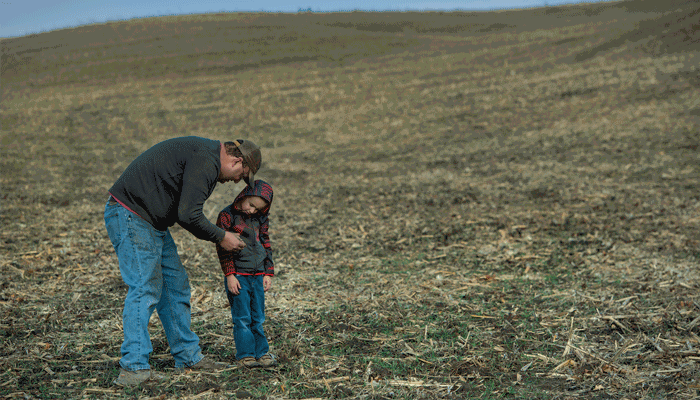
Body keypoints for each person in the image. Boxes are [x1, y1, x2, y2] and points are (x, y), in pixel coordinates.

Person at [104, 136, 262, 386]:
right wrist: (222, 237)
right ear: (236, 160)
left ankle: (188, 357)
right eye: (240, 175)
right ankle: (134, 369)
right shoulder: (206, 160)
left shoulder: (206, 154)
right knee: (145, 288)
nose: (234, 182)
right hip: (131, 215)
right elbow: (188, 215)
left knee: (175, 286)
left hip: (151, 221)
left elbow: (183, 211)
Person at [215, 179, 277, 368]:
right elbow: (222, 248)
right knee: (242, 317)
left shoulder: (260, 219)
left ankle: (262, 353)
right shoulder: (227, 216)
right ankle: (246, 354)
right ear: (244, 194)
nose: (251, 210)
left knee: (258, 316)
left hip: (258, 274)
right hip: (239, 275)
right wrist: (230, 274)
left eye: (256, 209)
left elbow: (265, 243)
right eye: (250, 204)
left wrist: (268, 272)